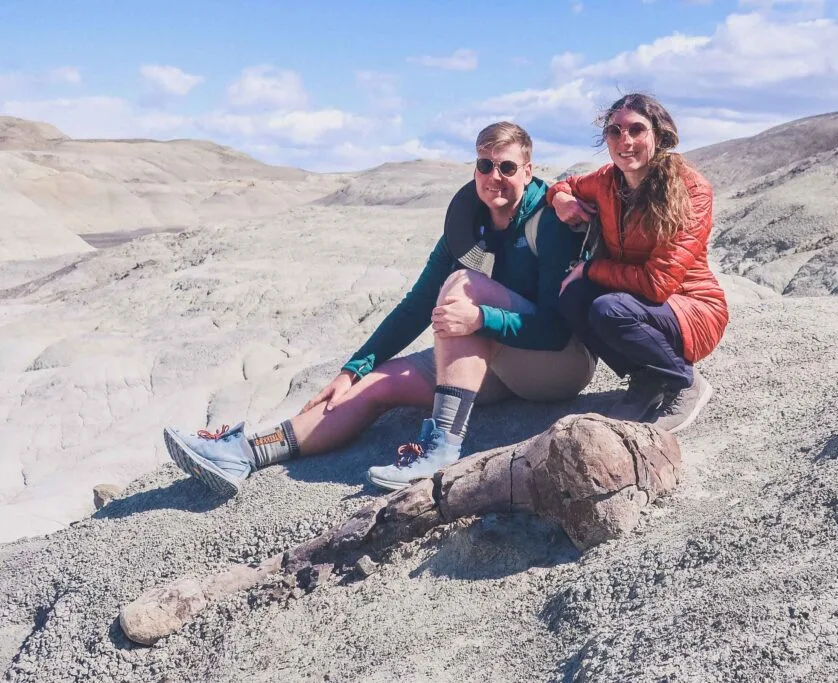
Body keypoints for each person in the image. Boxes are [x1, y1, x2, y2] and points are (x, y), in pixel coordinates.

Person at [163, 122, 595, 494]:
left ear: (529, 170)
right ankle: (244, 453)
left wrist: (482, 318)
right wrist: (354, 368)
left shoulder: (550, 221)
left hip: (556, 366)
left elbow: (556, 331)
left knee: (466, 285)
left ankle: (441, 447)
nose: (494, 177)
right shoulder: (466, 227)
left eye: (507, 167)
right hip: (496, 365)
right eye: (485, 166)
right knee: (373, 385)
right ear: (475, 169)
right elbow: (414, 308)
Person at [549, 93, 728, 433]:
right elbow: (565, 185)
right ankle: (646, 379)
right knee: (571, 298)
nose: (624, 140)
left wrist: (589, 269)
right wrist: (561, 199)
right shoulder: (606, 180)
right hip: (636, 299)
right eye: (615, 131)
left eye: (636, 130)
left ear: (658, 136)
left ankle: (685, 382)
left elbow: (657, 284)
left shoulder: (689, 189)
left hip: (691, 305)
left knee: (607, 308)